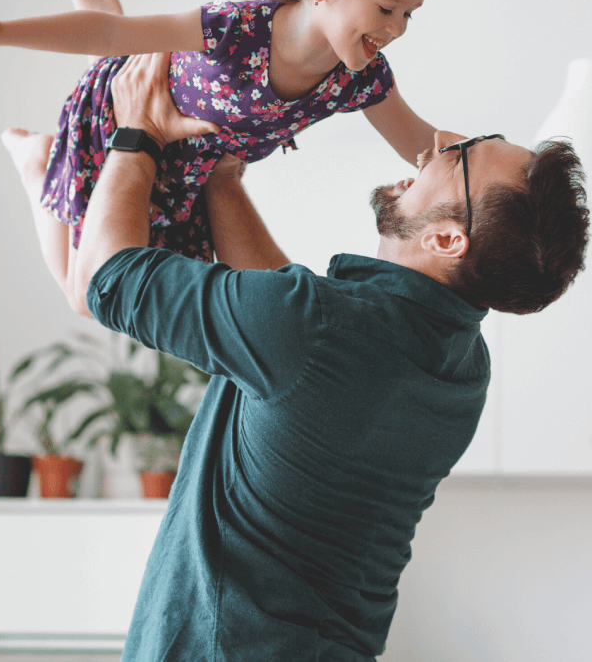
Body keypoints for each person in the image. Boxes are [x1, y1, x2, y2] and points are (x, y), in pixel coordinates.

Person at [40, 51, 587, 661]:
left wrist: (134, 132)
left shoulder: (318, 329)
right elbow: (289, 349)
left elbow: (107, 279)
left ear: (446, 239)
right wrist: (222, 182)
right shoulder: (460, 366)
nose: (438, 145)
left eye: (463, 153)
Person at [0, 0, 440, 315]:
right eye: (386, 9)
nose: (397, 28)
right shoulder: (236, 30)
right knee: (86, 300)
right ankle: (38, 162)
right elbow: (110, 34)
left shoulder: (360, 79)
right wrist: (0, 32)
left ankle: (108, 24)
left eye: (408, 15)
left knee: (132, 292)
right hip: (119, 121)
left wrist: (493, 162)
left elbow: (426, 145)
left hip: (186, 172)